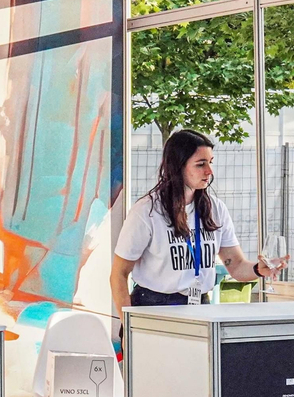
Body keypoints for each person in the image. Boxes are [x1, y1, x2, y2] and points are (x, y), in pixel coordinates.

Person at [111, 128, 282, 311]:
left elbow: (237, 266)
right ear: (178, 166)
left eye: (210, 162)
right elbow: (118, 275)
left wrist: (258, 269)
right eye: (201, 164)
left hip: (200, 305)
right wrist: (127, 325)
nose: (209, 171)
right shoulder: (147, 211)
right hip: (154, 306)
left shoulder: (215, 208)